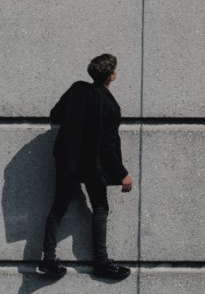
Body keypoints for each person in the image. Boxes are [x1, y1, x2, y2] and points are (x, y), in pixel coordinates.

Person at [38, 53, 134, 281]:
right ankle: (101, 262)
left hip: (68, 160)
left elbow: (55, 115)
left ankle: (48, 258)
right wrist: (123, 174)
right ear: (112, 76)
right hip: (92, 163)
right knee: (100, 207)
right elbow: (106, 147)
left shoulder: (77, 89)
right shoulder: (110, 105)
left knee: (58, 207)